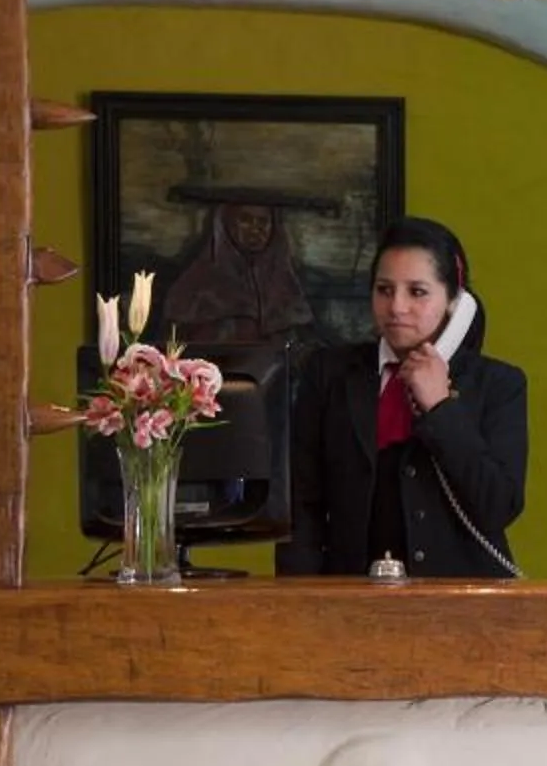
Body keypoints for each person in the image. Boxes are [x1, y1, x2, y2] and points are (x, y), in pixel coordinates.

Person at [279, 217, 527, 578]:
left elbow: (498, 505)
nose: (396, 307)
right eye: (384, 289)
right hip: (349, 597)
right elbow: (301, 505)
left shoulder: (499, 384)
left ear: (455, 303)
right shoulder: (329, 373)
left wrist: (441, 407)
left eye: (417, 292)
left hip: (462, 601)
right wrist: (299, 602)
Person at [162, 195, 319, 346]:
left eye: (263, 222)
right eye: (245, 220)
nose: (255, 229)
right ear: (227, 223)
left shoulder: (285, 286)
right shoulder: (196, 285)